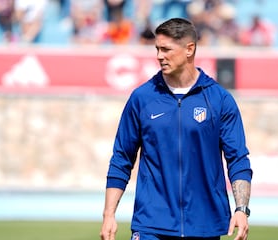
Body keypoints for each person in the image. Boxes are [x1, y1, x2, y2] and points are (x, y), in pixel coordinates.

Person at [100, 18, 252, 240]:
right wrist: (108, 214)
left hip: (205, 225)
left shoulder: (219, 100)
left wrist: (241, 209)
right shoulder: (142, 98)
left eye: (166, 49)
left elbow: (238, 159)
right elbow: (121, 159)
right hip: (151, 225)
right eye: (157, 49)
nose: (159, 56)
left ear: (189, 49)